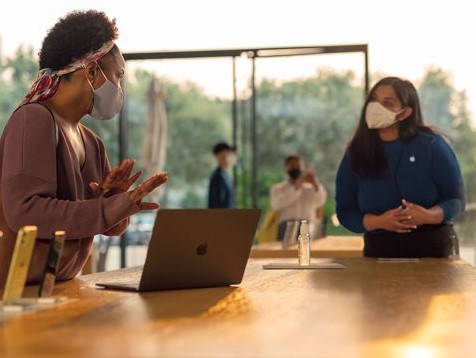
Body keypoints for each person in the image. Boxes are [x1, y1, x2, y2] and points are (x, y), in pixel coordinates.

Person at [0, 10, 168, 288]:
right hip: (15, 296)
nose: (119, 86)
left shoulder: (92, 142)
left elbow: (108, 225)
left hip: (61, 288)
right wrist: (104, 208)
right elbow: (25, 212)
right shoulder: (33, 118)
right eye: (118, 76)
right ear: (91, 71)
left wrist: (116, 203)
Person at [335, 76, 465, 258]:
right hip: (379, 252)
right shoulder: (356, 153)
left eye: (388, 103)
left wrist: (429, 215)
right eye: (373, 99)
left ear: (404, 113)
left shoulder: (432, 146)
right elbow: (345, 211)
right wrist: (380, 221)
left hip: (433, 251)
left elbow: (457, 200)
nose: (375, 107)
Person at [270, 155, 327, 241]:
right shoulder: (278, 188)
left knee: (307, 252)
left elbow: (321, 201)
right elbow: (276, 205)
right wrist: (296, 187)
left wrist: (315, 183)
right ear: (286, 168)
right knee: (284, 254)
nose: (295, 168)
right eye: (292, 166)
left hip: (307, 226)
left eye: (298, 166)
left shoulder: (311, 188)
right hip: (286, 227)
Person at [208, 142, 237, 208]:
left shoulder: (226, 176)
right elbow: (216, 205)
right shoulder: (217, 177)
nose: (234, 157)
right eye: (229, 154)